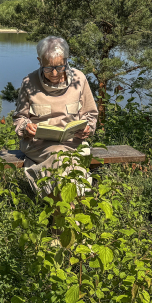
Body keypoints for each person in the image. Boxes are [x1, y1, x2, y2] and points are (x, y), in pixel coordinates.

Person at [13, 36, 99, 197]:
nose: (54, 73)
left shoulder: (79, 79)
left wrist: (88, 128)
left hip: (74, 144)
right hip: (39, 146)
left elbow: (90, 114)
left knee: (65, 163)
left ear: (66, 60)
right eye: (47, 68)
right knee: (60, 159)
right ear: (39, 61)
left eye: (60, 67)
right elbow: (19, 118)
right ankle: (70, 214)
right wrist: (26, 128)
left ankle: (59, 214)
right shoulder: (29, 82)